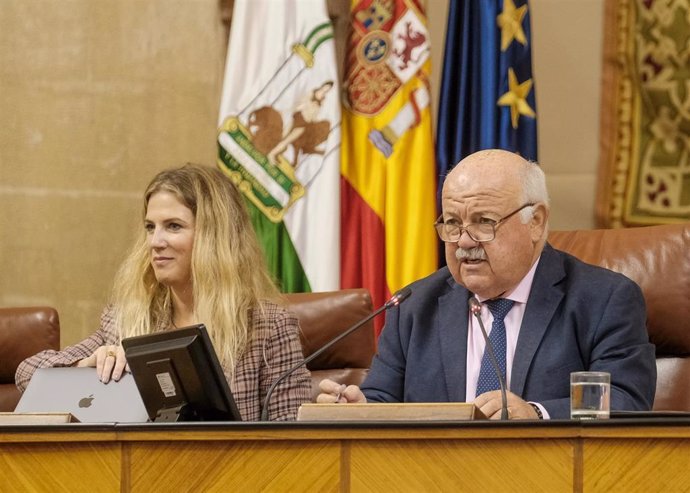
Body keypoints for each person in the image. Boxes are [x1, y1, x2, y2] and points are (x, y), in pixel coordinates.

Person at [318, 149, 656, 419]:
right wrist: (356, 409)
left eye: (483, 222)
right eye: (452, 223)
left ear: (535, 222)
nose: (464, 240)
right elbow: (383, 400)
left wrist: (538, 414)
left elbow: (626, 400)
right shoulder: (414, 306)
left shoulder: (602, 300)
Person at [16, 164, 312, 421]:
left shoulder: (268, 326)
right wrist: (84, 365)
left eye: (173, 226)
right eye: (149, 227)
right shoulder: (127, 318)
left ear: (215, 236)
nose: (155, 242)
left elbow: (294, 434)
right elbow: (26, 373)